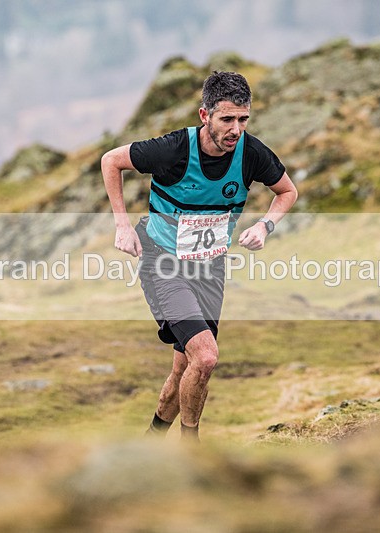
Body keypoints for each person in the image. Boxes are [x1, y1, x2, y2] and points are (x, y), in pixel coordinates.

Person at [101, 71, 298, 441]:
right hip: (163, 263)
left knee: (186, 368)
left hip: (210, 267)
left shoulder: (251, 153)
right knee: (205, 357)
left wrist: (264, 227)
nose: (236, 130)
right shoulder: (175, 149)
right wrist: (123, 226)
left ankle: (151, 440)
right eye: (227, 119)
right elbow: (111, 161)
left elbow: (287, 192)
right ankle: (192, 450)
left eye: (243, 119)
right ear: (205, 116)